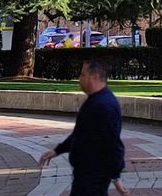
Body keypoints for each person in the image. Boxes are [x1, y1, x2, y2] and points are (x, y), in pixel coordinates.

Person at [38, 60, 129, 196]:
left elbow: (114, 144)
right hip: (84, 175)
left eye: (83, 74)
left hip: (93, 177)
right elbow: (80, 133)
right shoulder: (95, 101)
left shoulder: (104, 105)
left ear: (95, 77)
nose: (79, 79)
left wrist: (116, 178)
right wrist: (58, 150)